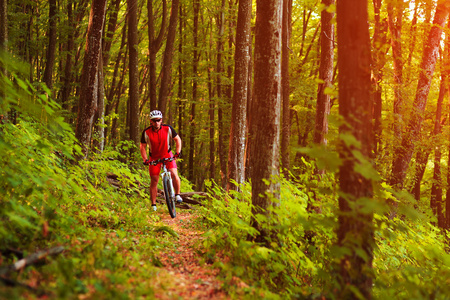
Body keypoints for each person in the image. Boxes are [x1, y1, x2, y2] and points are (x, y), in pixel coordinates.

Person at [140, 110, 183, 211]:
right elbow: (142, 146)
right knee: (154, 180)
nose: (156, 123)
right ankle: (153, 205)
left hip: (167, 154)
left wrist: (177, 152)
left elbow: (178, 139)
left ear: (161, 120)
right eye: (154, 121)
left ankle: (177, 194)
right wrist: (145, 159)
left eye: (158, 120)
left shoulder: (168, 128)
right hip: (154, 157)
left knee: (174, 174)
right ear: (151, 121)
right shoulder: (146, 132)